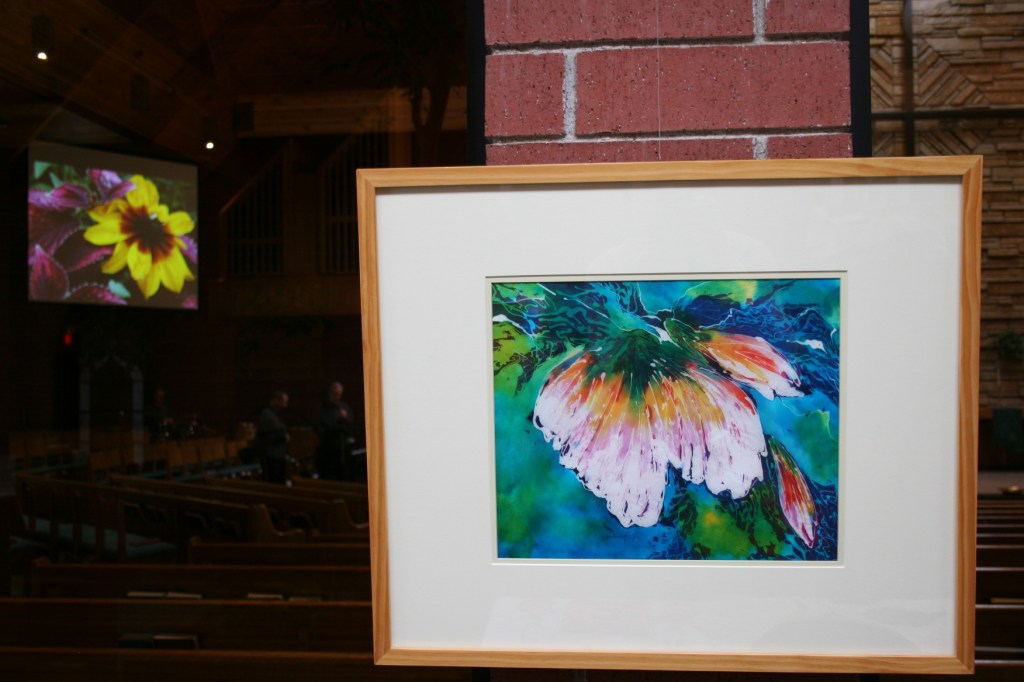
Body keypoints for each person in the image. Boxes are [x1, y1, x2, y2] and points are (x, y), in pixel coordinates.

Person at [312, 381, 354, 480]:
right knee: (329, 471)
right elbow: (317, 425)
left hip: (342, 445)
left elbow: (351, 424)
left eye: (339, 394)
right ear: (330, 393)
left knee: (342, 471)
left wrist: (345, 418)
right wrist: (325, 435)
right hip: (327, 445)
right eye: (334, 393)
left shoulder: (345, 407)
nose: (337, 396)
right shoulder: (322, 408)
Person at [256, 390, 290, 483]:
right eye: (284, 402)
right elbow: (268, 435)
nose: (285, 405)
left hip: (278, 454)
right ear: (276, 400)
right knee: (273, 481)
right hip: (271, 455)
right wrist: (283, 437)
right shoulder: (266, 415)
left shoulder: (273, 415)